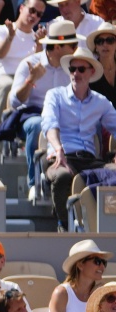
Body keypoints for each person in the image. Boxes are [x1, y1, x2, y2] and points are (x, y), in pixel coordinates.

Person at [43, 45, 116, 231]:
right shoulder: (55, 95)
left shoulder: (101, 102)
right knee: (62, 176)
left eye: (81, 69)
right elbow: (49, 124)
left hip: (89, 160)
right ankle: (64, 226)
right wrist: (58, 149)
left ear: (91, 72)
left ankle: (106, 226)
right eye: (72, 69)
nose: (76, 73)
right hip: (61, 156)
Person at [11, 20, 77, 203]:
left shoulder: (74, 67)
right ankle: (34, 183)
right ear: (56, 47)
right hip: (33, 116)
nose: (76, 48)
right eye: (72, 45)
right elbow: (14, 102)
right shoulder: (30, 64)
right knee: (39, 125)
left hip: (64, 118)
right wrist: (31, 80)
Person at [0, 0, 47, 157]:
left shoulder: (36, 37)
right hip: (3, 78)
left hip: (25, 80)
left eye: (39, 14)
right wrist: (10, 36)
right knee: (8, 86)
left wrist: (39, 44)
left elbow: (37, 65)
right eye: (32, 10)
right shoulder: (0, 30)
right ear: (21, 8)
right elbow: (0, 53)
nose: (34, 16)